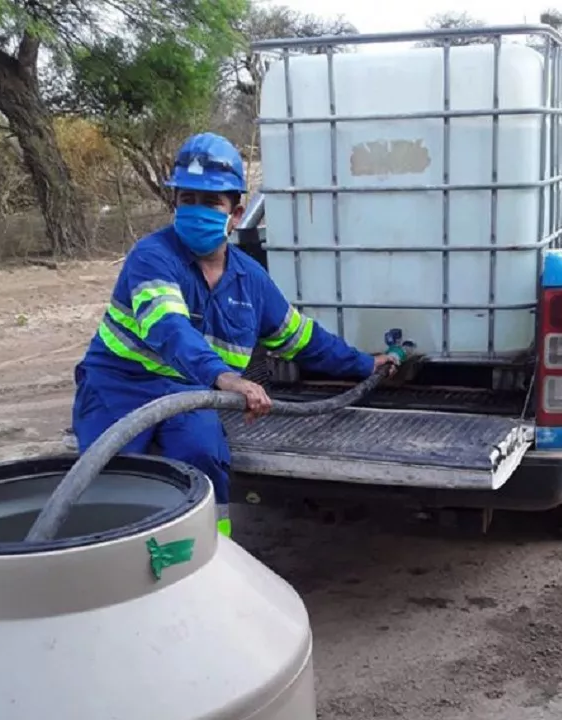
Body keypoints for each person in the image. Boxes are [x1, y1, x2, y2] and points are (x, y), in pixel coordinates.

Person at [72, 132, 397, 538]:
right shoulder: (152, 256)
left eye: (210, 202)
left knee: (202, 455)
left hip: (188, 392)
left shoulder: (250, 280)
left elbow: (302, 339)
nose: (195, 210)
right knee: (117, 478)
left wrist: (365, 363)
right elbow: (169, 328)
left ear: (236, 213)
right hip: (119, 386)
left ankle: (214, 556)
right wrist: (226, 377)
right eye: (186, 199)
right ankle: (118, 568)